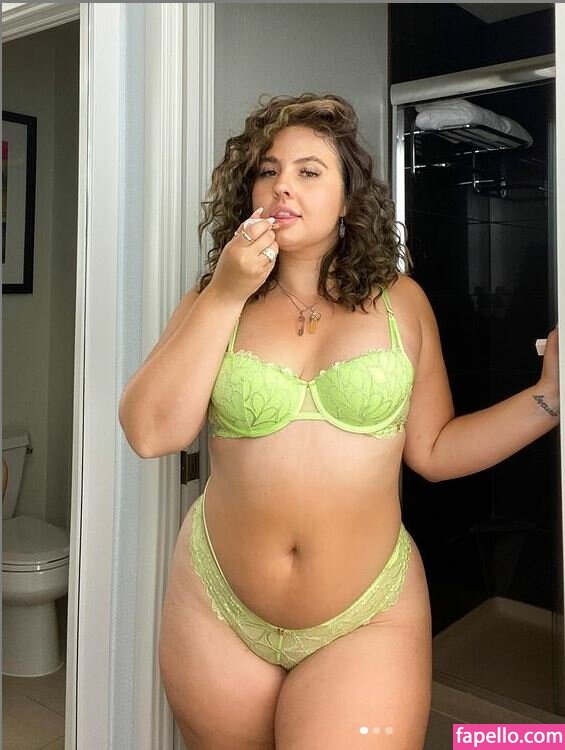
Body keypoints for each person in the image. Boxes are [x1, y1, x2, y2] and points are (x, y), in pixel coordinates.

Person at [118, 93, 560, 750]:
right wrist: (226, 292)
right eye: (267, 171)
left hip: (365, 615)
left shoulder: (401, 302)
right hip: (215, 604)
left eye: (308, 171)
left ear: (349, 200)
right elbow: (151, 433)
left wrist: (548, 397)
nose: (282, 186)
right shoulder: (214, 297)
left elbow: (435, 451)